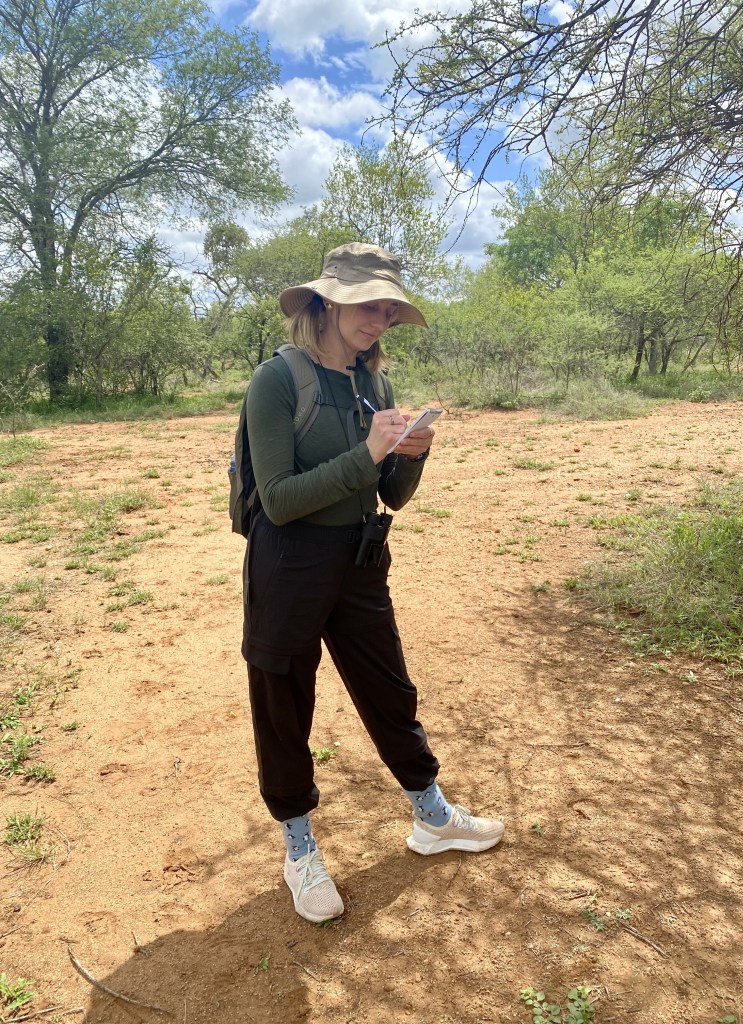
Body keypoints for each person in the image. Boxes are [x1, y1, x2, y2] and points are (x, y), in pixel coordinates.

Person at [242, 242, 503, 923]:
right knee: (284, 700)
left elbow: (392, 494)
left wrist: (411, 454)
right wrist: (367, 454)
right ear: (326, 303)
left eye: (388, 309)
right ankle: (299, 846)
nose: (379, 319)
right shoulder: (278, 380)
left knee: (390, 688)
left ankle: (432, 815)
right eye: (367, 305)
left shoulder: (374, 384)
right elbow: (279, 499)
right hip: (289, 564)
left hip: (359, 559)